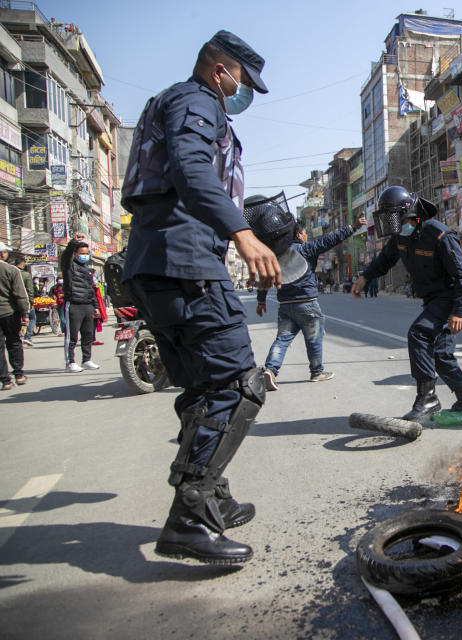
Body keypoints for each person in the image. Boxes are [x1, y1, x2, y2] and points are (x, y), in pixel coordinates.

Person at [121, 30, 280, 564]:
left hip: (155, 261)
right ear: (221, 72)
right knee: (238, 383)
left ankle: (211, 497)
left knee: (199, 387)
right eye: (243, 82)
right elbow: (191, 173)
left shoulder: (167, 102)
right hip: (184, 260)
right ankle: (189, 517)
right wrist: (243, 233)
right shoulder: (196, 99)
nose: (244, 93)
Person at [352, 185, 462, 420]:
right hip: (431, 299)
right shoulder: (401, 236)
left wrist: (459, 312)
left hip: (447, 297)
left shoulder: (440, 235)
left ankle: (428, 397)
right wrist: (365, 276)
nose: (393, 223)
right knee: (440, 354)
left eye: (396, 217)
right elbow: (385, 259)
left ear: (410, 214)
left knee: (418, 333)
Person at [257, 215, 365, 388]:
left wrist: (261, 300)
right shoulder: (306, 248)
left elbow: (265, 277)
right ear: (299, 235)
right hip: (307, 302)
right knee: (314, 337)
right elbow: (330, 240)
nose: (306, 236)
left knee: (282, 339)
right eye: (305, 233)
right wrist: (353, 227)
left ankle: (270, 370)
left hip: (285, 304)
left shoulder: (276, 255)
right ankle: (317, 372)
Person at [59, 234, 99, 371]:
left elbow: (91, 289)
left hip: (87, 305)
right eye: (82, 253)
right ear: (75, 254)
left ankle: (86, 360)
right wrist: (73, 243)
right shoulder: (69, 267)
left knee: (88, 335)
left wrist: (96, 306)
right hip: (73, 304)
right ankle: (70, 362)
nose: (85, 256)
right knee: (72, 336)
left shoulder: (87, 269)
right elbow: (65, 257)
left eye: (87, 253)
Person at [0, 242, 30, 389]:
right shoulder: (11, 270)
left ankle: (5, 381)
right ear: (3, 254)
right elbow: (20, 294)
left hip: (7, 312)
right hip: (10, 313)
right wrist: (25, 313)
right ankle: (18, 375)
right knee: (14, 343)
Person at [10, 257, 34, 346]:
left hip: (12, 302)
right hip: (24, 300)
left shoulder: (10, 272)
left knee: (16, 319)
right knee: (32, 318)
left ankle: (16, 337)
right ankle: (27, 337)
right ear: (23, 263)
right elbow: (30, 290)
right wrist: (31, 302)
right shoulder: (26, 275)